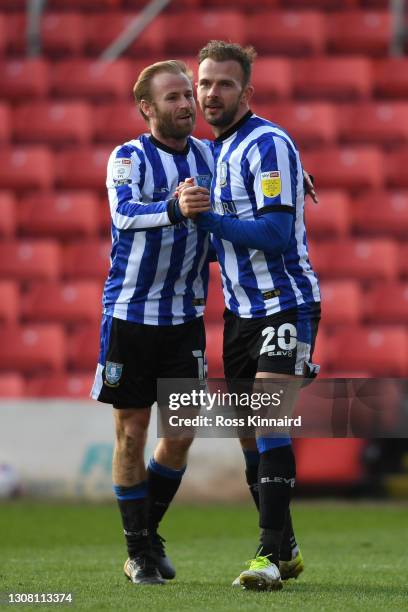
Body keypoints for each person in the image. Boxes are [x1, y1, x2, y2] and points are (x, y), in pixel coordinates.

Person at [181, 40, 321, 591]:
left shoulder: (267, 143)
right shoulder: (215, 151)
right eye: (205, 83)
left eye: (224, 84)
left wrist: (208, 218)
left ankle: (265, 556)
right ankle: (285, 547)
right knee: (247, 434)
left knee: (267, 418)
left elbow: (276, 232)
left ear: (246, 92)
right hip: (239, 312)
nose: (211, 93)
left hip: (285, 301)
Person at [91, 59, 213, 585]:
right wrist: (174, 207)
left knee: (182, 432)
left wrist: (293, 179)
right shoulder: (127, 157)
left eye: (189, 94)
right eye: (174, 97)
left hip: (186, 318)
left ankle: (144, 537)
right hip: (131, 316)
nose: (187, 104)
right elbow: (122, 214)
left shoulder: (211, 155)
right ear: (147, 108)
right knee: (132, 432)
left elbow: (246, 192)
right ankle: (140, 552)